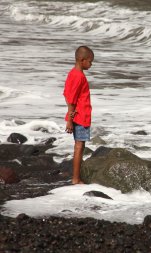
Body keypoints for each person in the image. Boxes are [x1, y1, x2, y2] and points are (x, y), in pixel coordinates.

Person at [63, 46, 94, 184]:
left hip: (79, 115)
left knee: (79, 146)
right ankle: (75, 178)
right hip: (80, 116)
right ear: (82, 60)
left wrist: (70, 117)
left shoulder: (73, 73)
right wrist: (70, 120)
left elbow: (66, 94)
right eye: (90, 61)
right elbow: (71, 99)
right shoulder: (78, 76)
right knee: (79, 146)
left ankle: (76, 177)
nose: (91, 64)